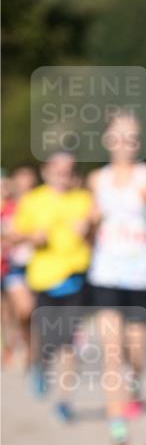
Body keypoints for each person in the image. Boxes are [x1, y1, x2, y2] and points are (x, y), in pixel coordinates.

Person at [87, 112, 146, 445]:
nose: (126, 143)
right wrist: (87, 224)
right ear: (108, 140)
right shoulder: (97, 179)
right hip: (106, 273)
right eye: (120, 136)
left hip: (140, 276)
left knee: (136, 354)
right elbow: (92, 221)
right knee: (112, 354)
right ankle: (118, 433)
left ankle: (135, 382)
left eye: (133, 138)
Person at [11, 152, 93, 420]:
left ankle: (64, 401)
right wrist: (33, 236)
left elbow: (101, 232)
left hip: (74, 277)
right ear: (46, 172)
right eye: (58, 169)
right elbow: (14, 234)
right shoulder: (33, 200)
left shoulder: (84, 199)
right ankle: (40, 365)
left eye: (69, 170)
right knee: (47, 340)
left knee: (69, 341)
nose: (63, 174)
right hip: (42, 279)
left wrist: (89, 229)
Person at [2, 166, 38, 367]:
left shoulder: (41, 203)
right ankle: (25, 344)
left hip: (39, 264)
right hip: (14, 265)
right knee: (22, 310)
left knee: (33, 310)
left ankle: (34, 348)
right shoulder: (7, 206)